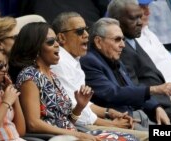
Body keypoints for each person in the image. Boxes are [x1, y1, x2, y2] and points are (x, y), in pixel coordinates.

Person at [9, 22, 139, 141]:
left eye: (56, 40)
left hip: (72, 134)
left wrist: (80, 106)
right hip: (59, 138)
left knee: (133, 137)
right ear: (36, 48)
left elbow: (66, 120)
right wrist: (76, 134)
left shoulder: (52, 75)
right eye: (50, 42)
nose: (57, 45)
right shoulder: (29, 77)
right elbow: (33, 124)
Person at [51, 11, 149, 140]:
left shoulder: (74, 59)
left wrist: (109, 112)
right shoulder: (61, 63)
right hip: (79, 128)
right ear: (62, 38)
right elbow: (75, 110)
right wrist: (111, 124)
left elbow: (84, 103)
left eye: (86, 30)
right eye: (79, 31)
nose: (86, 35)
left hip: (94, 122)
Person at [80, 16, 171, 131]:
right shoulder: (89, 61)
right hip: (120, 122)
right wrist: (155, 89)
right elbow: (112, 93)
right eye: (117, 39)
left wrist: (156, 107)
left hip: (139, 116)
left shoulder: (114, 59)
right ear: (98, 41)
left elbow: (132, 88)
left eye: (123, 39)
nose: (123, 45)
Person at [118, 0, 171, 125]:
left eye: (148, 7)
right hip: (164, 97)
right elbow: (131, 88)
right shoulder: (124, 47)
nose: (147, 12)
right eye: (142, 8)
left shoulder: (146, 33)